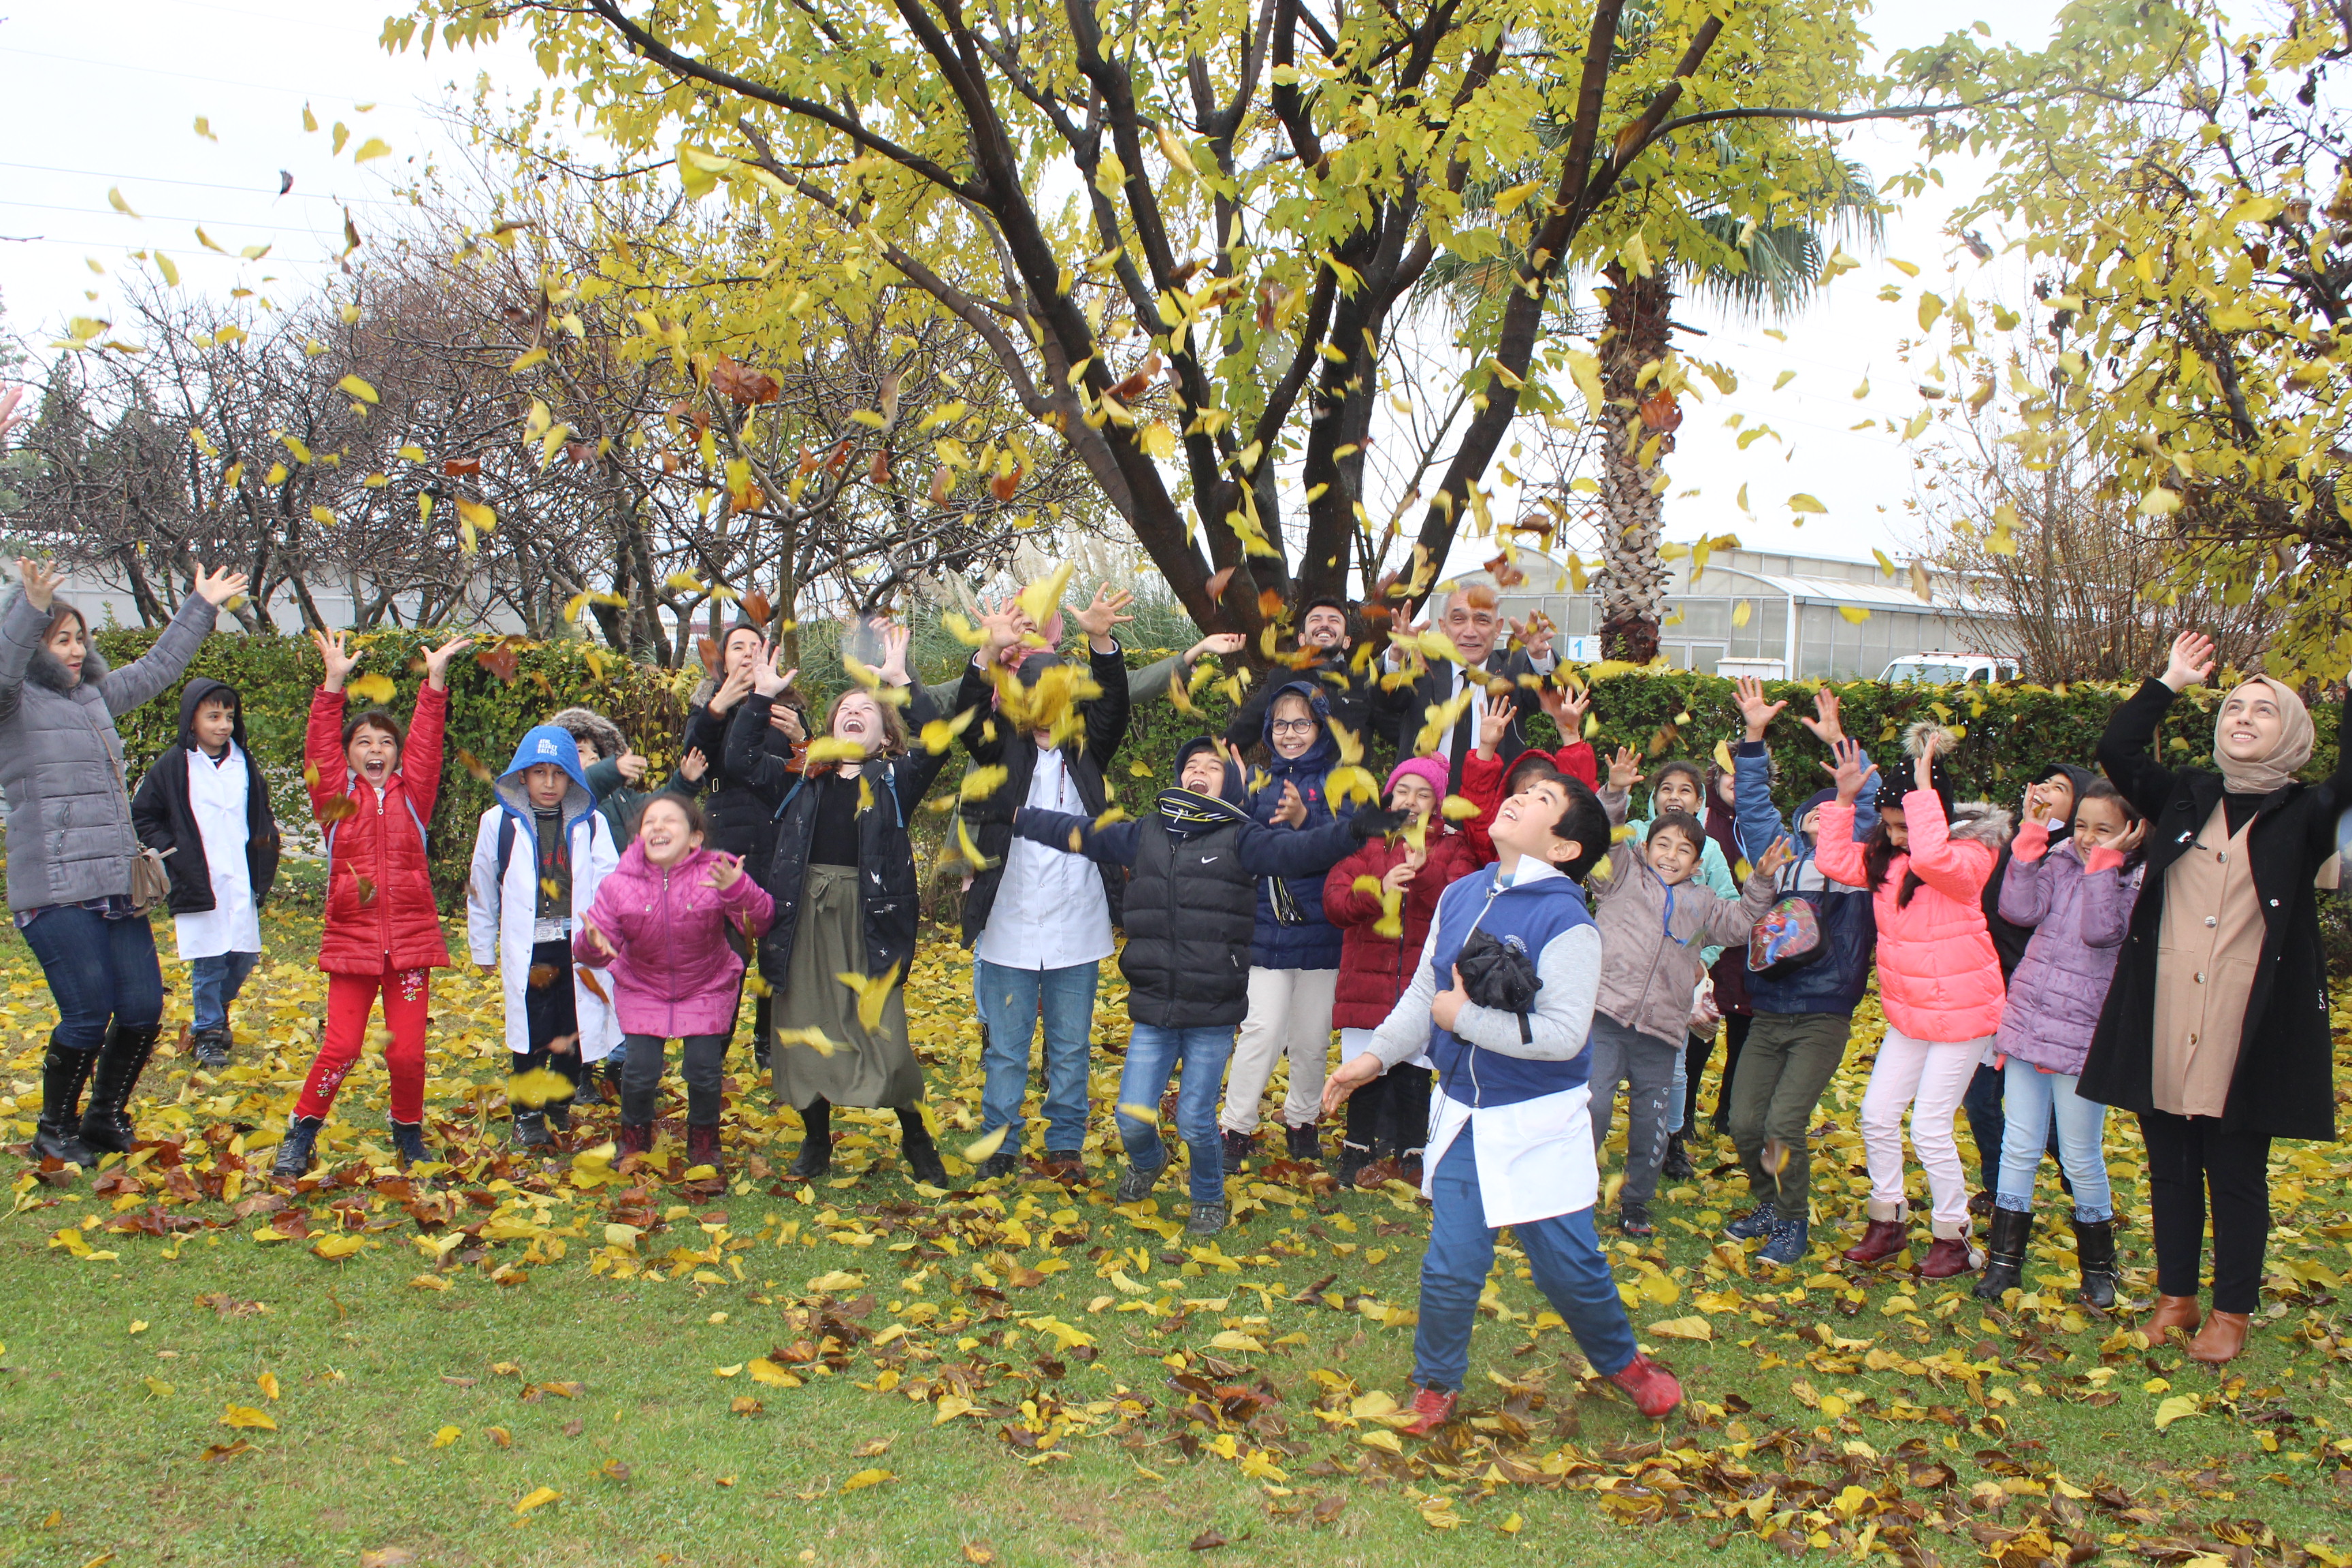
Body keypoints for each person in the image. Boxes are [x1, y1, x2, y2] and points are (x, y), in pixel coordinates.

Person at [1322, 772, 1684, 1433]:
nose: (1520, 797)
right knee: (1450, 1266)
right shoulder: (1460, 895)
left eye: (1544, 800)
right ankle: (1435, 1385)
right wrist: (1372, 1060)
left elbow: (1562, 1036)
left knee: (1572, 1271)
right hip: (1463, 1119)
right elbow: (1421, 1000)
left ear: (1567, 847)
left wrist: (1463, 1020)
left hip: (1541, 1125)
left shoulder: (1569, 920)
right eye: (1524, 790)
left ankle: (1624, 1363)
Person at [2078, 632, 2350, 1364]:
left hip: (2246, 1025)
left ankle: (2231, 1311)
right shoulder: (2188, 794)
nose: (2244, 717)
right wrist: (2168, 681)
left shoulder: (2306, 812)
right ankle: (2176, 1298)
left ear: (2290, 732)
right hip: (2164, 1014)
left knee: (2235, 1175)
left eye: (2265, 711)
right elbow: (2118, 752)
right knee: (2169, 1166)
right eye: (2234, 706)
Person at [1008, 736, 1390, 1233]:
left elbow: (1301, 850)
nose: (1201, 771)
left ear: (1227, 785)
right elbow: (1079, 830)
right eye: (1192, 764)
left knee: (1195, 1119)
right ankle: (1149, 1162)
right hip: (1154, 1008)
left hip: (1212, 1010)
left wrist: (1353, 831)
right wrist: (1017, 818)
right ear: (1178, 776)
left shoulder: (1241, 837)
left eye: (1213, 767)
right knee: (1130, 1117)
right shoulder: (1144, 833)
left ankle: (1209, 1196)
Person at [3, 558, 248, 1163]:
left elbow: (160, 668)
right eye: (63, 639)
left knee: (141, 1010)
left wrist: (201, 606)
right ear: (35, 644)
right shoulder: (12, 705)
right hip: (54, 888)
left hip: (115, 882)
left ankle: (104, 1119)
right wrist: (29, 604)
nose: (77, 649)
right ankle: (51, 1133)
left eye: (81, 638)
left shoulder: (94, 697)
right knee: (86, 1013)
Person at [730, 627, 954, 1188]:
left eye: (867, 710)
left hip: (869, 919)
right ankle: (816, 1140)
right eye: (846, 709)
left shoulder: (896, 780)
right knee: (803, 1026)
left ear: (885, 736)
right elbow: (736, 760)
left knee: (887, 1039)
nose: (855, 712)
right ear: (830, 728)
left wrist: (901, 679)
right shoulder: (798, 778)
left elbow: (940, 741)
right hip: (804, 916)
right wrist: (759, 697)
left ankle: (916, 1135)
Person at [1814, 726, 2011, 1277]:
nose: (1898, 837)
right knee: (1876, 1113)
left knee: (1929, 1126)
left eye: (1908, 825)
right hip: (1911, 1015)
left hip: (1965, 1015)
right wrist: (1847, 801)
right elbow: (1833, 859)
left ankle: (1954, 1236)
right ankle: (1888, 1220)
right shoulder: (1887, 860)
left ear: (1936, 816)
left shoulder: (1971, 857)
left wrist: (1924, 797)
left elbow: (1934, 860)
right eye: (1891, 826)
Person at [277, 627, 474, 1175]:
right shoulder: (334, 802)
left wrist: (434, 683)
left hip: (409, 947)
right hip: (353, 946)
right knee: (340, 1047)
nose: (376, 750)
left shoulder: (416, 798)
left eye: (385, 742)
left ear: (397, 755)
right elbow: (319, 745)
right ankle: (302, 1130)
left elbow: (428, 744)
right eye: (363, 742)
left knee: (406, 1053)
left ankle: (407, 1131)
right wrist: (332, 686)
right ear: (348, 757)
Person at [953, 585, 1134, 1177]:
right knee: (1005, 1050)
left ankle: (1065, 1147)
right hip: (1008, 922)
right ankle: (1000, 1147)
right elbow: (965, 725)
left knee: (1072, 1048)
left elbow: (1114, 707)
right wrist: (985, 660)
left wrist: (1103, 642)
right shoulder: (1001, 752)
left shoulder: (1086, 751)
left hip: (1076, 927)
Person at [1590, 746, 1784, 1235]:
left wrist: (1762, 881)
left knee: (1651, 1121)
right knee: (1591, 1105)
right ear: (1646, 845)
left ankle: (1636, 1203)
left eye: (1683, 850)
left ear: (1698, 861)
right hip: (1606, 1017)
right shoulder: (1620, 878)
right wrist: (1615, 790)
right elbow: (1602, 837)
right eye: (1663, 845)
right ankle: (1571, 1191)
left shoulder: (1704, 902)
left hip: (1661, 1029)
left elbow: (1741, 923)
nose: (1671, 856)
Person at [1724, 679, 1882, 1267]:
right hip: (1770, 1009)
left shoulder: (1856, 860)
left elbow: (1861, 803)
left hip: (1822, 1013)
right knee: (1745, 1123)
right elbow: (1754, 804)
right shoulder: (1781, 853)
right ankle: (1768, 1204)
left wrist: (1841, 748)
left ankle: (1792, 1224)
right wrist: (1755, 734)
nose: (1821, 812)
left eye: (1830, 808)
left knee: (1784, 1123)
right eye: (1811, 809)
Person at [1975, 779, 2145, 1306]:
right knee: (2018, 1145)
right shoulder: (2059, 860)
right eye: (2081, 827)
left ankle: (2099, 1269)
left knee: (2080, 1153)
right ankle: (2005, 1264)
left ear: (2134, 832)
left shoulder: (2135, 881)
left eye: (2105, 829)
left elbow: (2101, 932)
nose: (2090, 838)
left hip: (2081, 1035)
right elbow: (2018, 910)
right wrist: (2030, 839)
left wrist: (2104, 867)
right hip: (2029, 1022)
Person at [575, 794, 774, 1168]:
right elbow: (597, 948)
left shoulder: (719, 871)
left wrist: (737, 888)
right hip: (642, 985)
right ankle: (633, 1140)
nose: (658, 828)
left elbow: (760, 920)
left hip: (706, 983)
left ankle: (704, 1142)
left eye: (670, 821)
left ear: (695, 838)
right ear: (639, 837)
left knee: (703, 1068)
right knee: (640, 1071)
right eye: (650, 822)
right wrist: (592, 943)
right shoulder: (619, 883)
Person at [1322, 755, 1482, 1186]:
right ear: (1389, 796)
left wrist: (1423, 868)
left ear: (1439, 803)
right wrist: (1378, 891)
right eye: (1404, 791)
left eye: (1424, 794)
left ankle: (1413, 1152)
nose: (1411, 802)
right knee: (1364, 1068)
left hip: (1419, 982)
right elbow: (1336, 902)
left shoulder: (1453, 847)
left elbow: (1459, 902)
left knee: (1416, 1069)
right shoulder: (1366, 842)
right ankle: (1356, 1148)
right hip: (1365, 981)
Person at [1219, 681, 1361, 1167]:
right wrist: (1233, 791)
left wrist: (1307, 821)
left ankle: (1302, 1121)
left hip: (1322, 933)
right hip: (1267, 931)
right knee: (1261, 1028)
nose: (1290, 733)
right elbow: (1238, 842)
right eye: (1281, 723)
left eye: (1301, 722)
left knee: (1310, 1036)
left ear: (1320, 728)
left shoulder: (1343, 782)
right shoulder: (1258, 782)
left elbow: (1351, 848)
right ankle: (1235, 1127)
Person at [466, 725, 622, 1147]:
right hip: (529, 947)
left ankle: (561, 1100)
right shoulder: (498, 823)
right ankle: (528, 1113)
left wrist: (611, 935)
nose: (549, 783)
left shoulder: (592, 824)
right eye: (539, 773)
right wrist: (482, 945)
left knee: (575, 1029)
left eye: (558, 773)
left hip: (576, 947)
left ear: (571, 776)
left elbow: (610, 883)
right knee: (532, 1033)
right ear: (522, 775)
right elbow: (483, 886)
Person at [1965, 760, 2098, 1212]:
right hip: (1994, 992)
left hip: (2050, 1007)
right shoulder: (2008, 847)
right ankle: (1997, 1188)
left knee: (2055, 1117)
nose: (2045, 789)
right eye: (2042, 782)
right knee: (1982, 1099)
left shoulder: (2080, 861)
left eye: (2059, 787)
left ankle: (2080, 1185)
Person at [132, 676, 282, 1071]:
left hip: (240, 876)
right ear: (192, 719)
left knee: (244, 956)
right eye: (213, 716)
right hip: (197, 877)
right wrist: (173, 852)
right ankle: (209, 1031)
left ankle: (217, 1007)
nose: (222, 725)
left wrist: (267, 849)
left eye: (229, 717)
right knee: (210, 959)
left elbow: (259, 812)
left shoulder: (243, 761)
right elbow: (144, 814)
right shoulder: (173, 765)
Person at [681, 621, 804, 1071]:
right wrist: (717, 710)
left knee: (778, 948)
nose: (750, 653)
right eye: (739, 646)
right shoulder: (710, 706)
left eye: (758, 645)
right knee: (727, 954)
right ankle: (714, 1047)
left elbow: (808, 771)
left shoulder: (787, 708)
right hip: (726, 843)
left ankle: (769, 1043)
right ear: (723, 659)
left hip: (779, 839)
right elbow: (692, 761)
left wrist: (800, 740)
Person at [1375, 576, 1558, 794]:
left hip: (1493, 812)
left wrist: (1539, 656)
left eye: (1482, 620)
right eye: (1459, 619)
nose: (1470, 632)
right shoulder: (1421, 669)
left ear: (1498, 628)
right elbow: (1382, 700)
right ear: (1443, 626)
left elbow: (1548, 694)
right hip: (1422, 809)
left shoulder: (1513, 669)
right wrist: (1396, 655)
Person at [1456, 687, 1599, 866]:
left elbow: (1583, 806)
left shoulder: (1559, 859)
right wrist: (1486, 747)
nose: (1524, 802)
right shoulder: (1493, 845)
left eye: (1543, 799)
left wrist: (1570, 735)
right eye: (1523, 794)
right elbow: (1476, 802)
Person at [1221, 595, 1378, 751]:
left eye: (1334, 620)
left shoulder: (1365, 683)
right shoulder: (1282, 680)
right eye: (1316, 620)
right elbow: (1240, 734)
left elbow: (1398, 731)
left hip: (1348, 776)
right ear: (1302, 639)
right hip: (1290, 776)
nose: (1324, 625)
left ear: (1347, 641)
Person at [549, 706, 651, 848]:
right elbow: (583, 792)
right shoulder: (560, 797)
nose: (594, 756)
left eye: (595, 750)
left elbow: (657, 804)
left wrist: (685, 781)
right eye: (581, 750)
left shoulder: (620, 796)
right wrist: (612, 770)